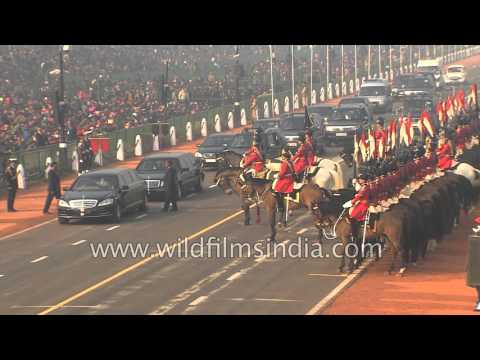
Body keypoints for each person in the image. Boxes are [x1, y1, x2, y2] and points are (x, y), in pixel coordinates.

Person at [273, 148, 295, 227]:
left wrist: (276, 176)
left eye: (282, 156)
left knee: (276, 188)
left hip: (285, 180)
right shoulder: (290, 162)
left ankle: (279, 204)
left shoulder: (284, 163)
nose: (281, 157)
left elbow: (281, 173)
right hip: (290, 178)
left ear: (284, 157)